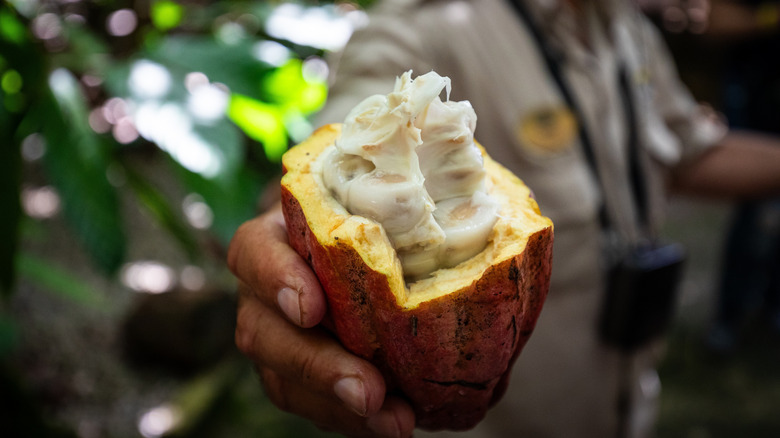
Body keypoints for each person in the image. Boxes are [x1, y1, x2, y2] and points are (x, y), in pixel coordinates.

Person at [227, 0, 780, 436]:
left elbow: (689, 150)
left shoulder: (626, 27)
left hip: (628, 400)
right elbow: (345, 138)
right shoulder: (423, 25)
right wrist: (284, 249)